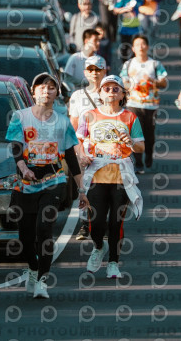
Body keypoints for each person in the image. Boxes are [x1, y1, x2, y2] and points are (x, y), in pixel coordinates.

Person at [6, 73, 87, 298]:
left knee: (44, 228)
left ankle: (42, 279)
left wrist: (81, 190)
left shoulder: (62, 122)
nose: (46, 90)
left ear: (56, 94)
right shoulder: (20, 117)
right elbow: (16, 148)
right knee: (25, 236)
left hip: (54, 180)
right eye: (41, 87)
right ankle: (33, 268)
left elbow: (70, 157)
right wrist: (24, 168)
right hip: (26, 183)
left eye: (51, 87)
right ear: (33, 92)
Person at [76, 75, 145, 278]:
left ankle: (113, 263)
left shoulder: (130, 117)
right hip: (96, 176)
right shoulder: (89, 116)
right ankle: (99, 246)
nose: (111, 92)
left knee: (116, 222)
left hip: (121, 177)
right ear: (100, 93)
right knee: (96, 222)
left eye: (116, 89)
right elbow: (78, 142)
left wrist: (130, 141)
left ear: (122, 94)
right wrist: (83, 155)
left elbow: (141, 147)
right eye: (107, 88)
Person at [68, 56, 107, 240]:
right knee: (85, 186)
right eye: (90, 70)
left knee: (105, 187)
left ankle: (102, 223)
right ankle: (85, 223)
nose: (94, 73)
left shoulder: (111, 92)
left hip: (108, 149)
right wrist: (79, 151)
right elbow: (73, 127)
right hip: (85, 148)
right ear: (85, 72)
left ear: (104, 71)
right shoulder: (77, 96)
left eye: (98, 69)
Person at [119, 34, 168, 174]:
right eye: (137, 45)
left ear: (147, 46)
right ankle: (139, 163)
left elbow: (164, 83)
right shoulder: (128, 64)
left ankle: (149, 154)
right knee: (136, 133)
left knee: (149, 134)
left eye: (143, 44)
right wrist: (130, 84)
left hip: (151, 105)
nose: (140, 47)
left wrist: (152, 81)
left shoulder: (155, 64)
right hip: (133, 104)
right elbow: (123, 83)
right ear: (133, 48)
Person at [113, 0, 143, 64]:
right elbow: (115, 10)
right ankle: (124, 65)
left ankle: (134, 64)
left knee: (136, 48)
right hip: (125, 28)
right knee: (125, 48)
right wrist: (126, 9)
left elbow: (145, 8)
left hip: (136, 28)